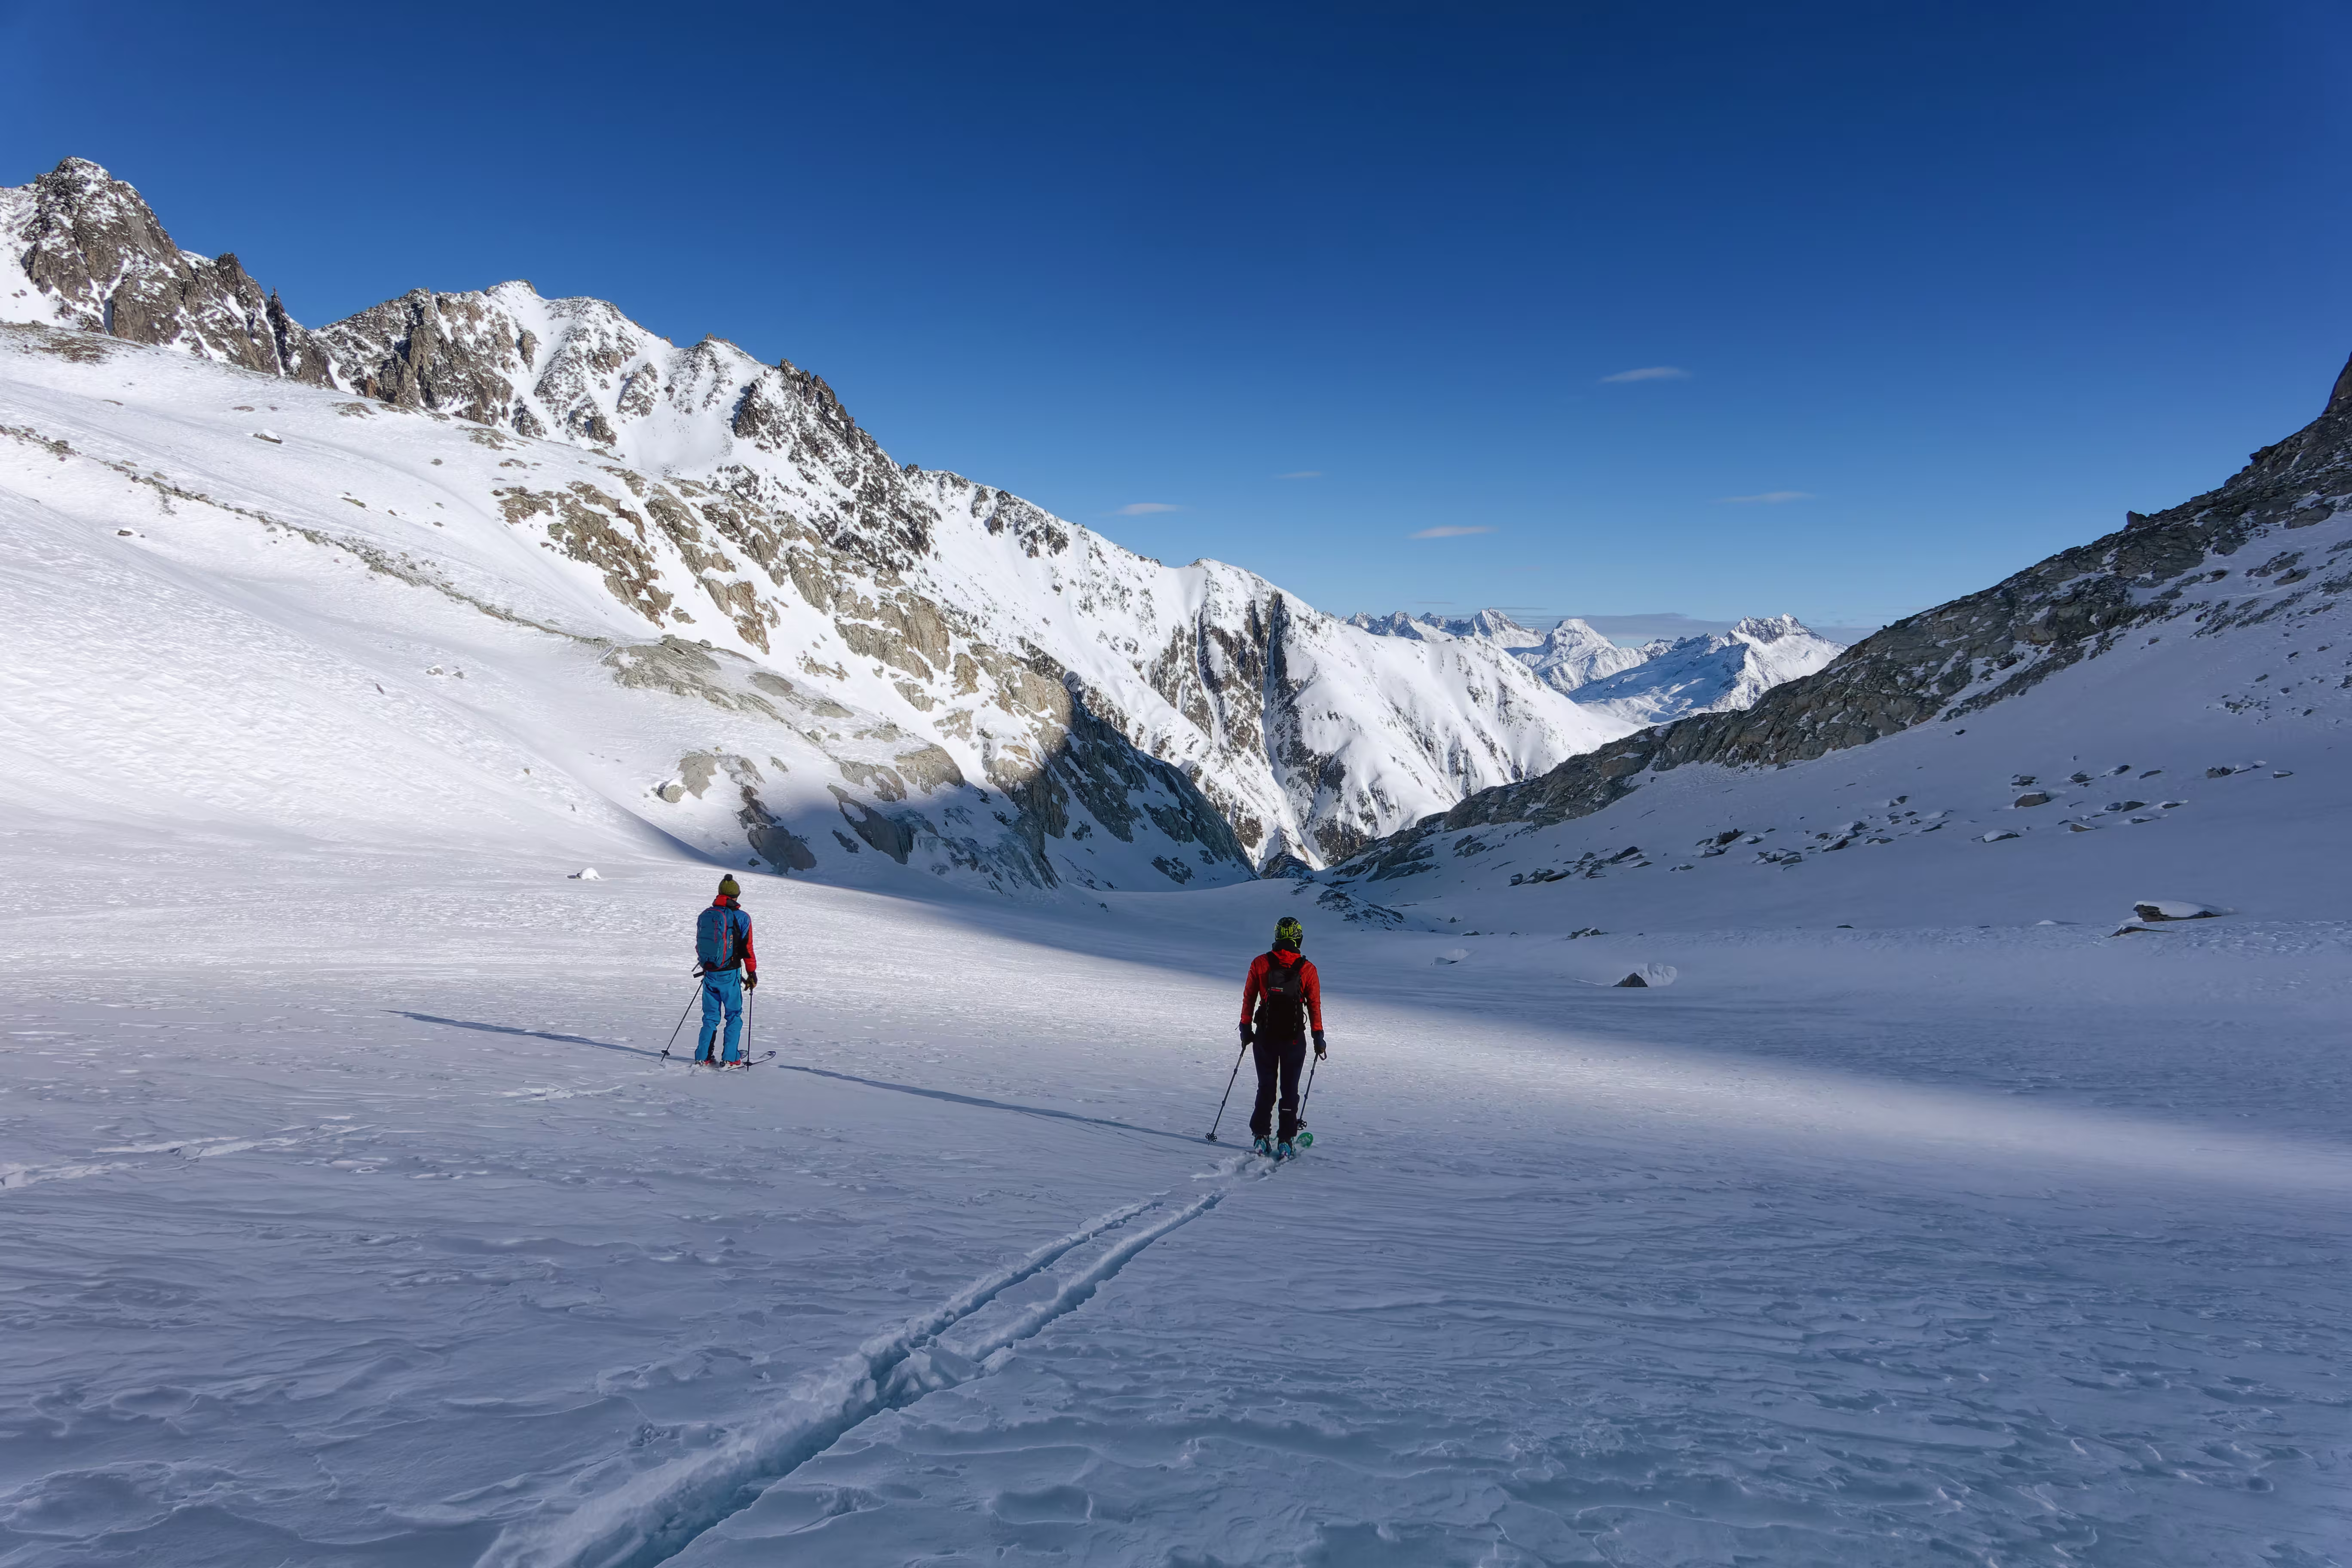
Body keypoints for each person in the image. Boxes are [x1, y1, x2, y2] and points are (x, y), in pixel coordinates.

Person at [1237, 916, 1326, 1157]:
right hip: (1295, 1039)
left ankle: (1261, 1136)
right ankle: (1286, 1139)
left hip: (1265, 1036)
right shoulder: (1308, 969)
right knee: (1290, 1089)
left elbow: (1249, 998)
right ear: (1298, 938)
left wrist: (1245, 1028)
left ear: (1277, 937)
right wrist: (1318, 1035)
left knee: (1266, 1086)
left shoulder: (1260, 963)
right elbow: (1314, 1005)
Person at [693, 875, 759, 1066]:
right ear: (737, 895)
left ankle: (703, 1057)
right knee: (733, 1015)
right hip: (730, 974)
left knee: (710, 1017)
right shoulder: (742, 917)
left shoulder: (708, 915)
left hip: (709, 972)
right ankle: (731, 1058)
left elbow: (700, 945)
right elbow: (747, 948)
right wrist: (752, 973)